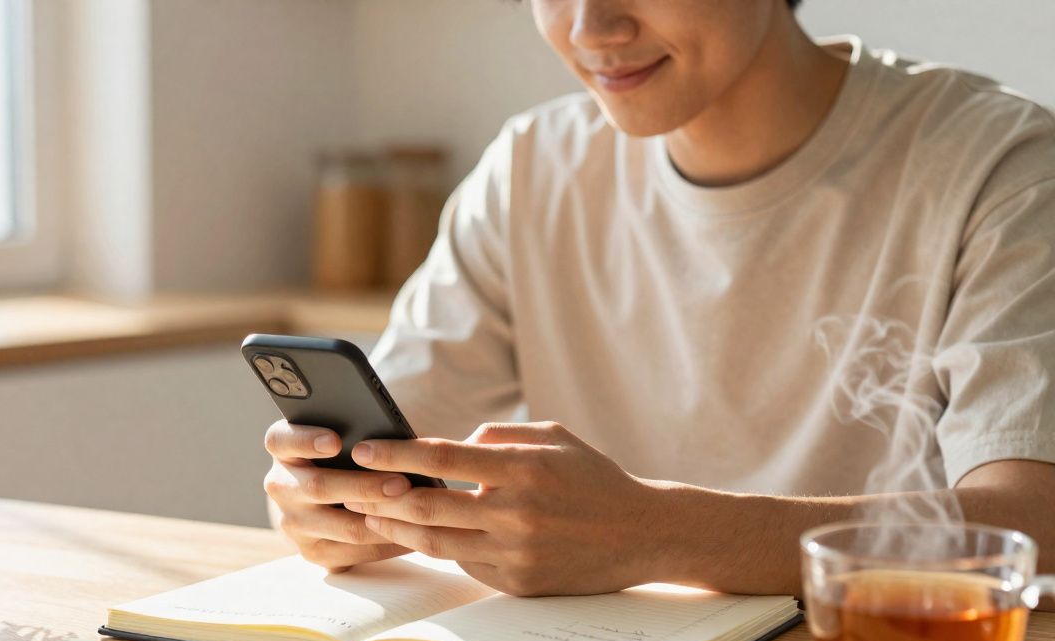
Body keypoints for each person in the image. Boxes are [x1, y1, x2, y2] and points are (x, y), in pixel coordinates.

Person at [263, 0, 1055, 597]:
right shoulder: (532, 170)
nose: (591, 28)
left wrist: (656, 534)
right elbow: (391, 448)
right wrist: (329, 503)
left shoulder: (998, 167)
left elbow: (1036, 521)